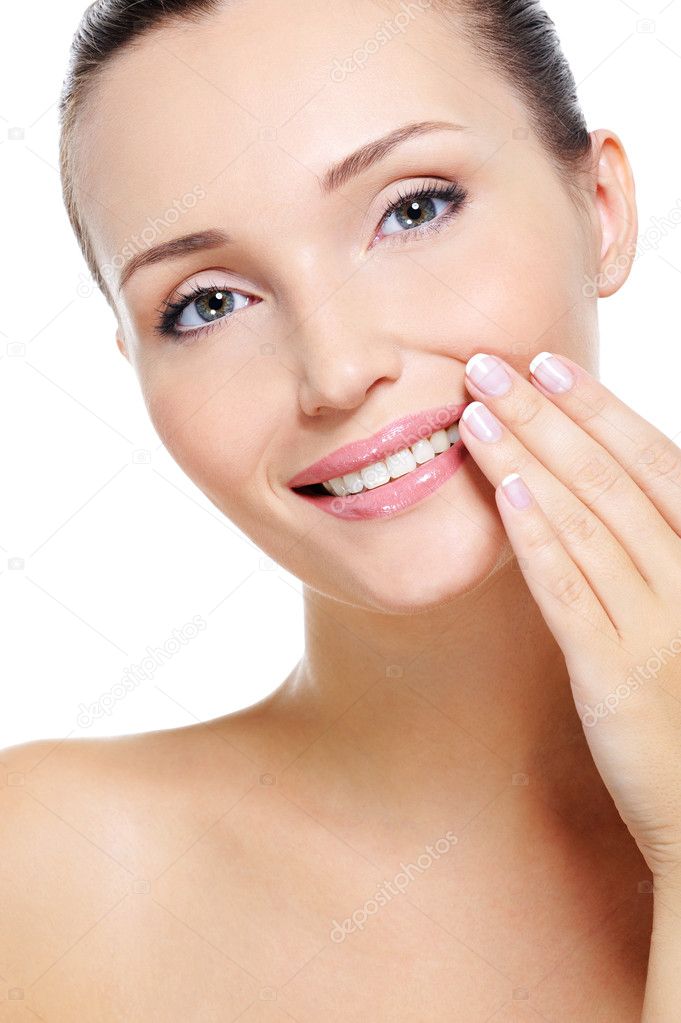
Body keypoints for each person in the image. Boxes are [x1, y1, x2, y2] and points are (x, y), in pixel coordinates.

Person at [4, 0, 681, 1018]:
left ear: (602, 207)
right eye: (207, 303)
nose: (337, 369)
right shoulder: (52, 870)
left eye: (412, 210)